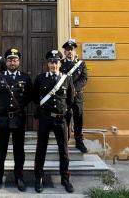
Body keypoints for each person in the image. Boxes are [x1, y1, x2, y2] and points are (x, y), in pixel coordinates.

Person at [0, 48, 32, 192]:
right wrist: (0, 110)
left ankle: (19, 177)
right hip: (2, 119)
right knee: (1, 150)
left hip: (18, 118)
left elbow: (29, 97)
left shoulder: (25, 78)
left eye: (15, 60)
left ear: (18, 61)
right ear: (6, 62)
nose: (12, 62)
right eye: (9, 60)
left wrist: (18, 109)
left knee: (19, 150)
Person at [33, 50, 75, 193]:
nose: (53, 65)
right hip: (45, 119)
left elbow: (71, 99)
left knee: (63, 150)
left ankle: (65, 178)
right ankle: (38, 178)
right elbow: (34, 97)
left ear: (60, 63)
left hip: (60, 119)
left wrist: (63, 112)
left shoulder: (67, 79)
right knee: (41, 150)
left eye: (56, 62)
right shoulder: (40, 78)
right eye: (51, 62)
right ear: (48, 63)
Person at [60, 39, 88, 153]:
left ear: (75, 51)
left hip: (77, 96)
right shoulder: (60, 63)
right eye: (67, 50)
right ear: (64, 52)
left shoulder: (81, 64)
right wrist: (68, 90)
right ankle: (64, 141)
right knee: (65, 119)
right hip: (65, 96)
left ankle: (79, 141)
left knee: (78, 118)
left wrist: (75, 89)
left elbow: (84, 78)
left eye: (71, 50)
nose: (69, 52)